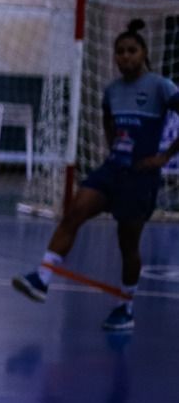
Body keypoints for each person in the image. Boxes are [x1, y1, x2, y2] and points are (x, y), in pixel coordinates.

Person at [12, 20, 179, 331]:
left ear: (143, 53)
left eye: (131, 51)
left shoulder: (160, 86)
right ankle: (42, 277)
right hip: (112, 169)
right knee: (75, 209)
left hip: (140, 178)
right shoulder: (112, 91)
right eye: (120, 52)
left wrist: (165, 157)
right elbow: (107, 119)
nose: (125, 57)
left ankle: (125, 307)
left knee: (127, 245)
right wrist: (112, 145)